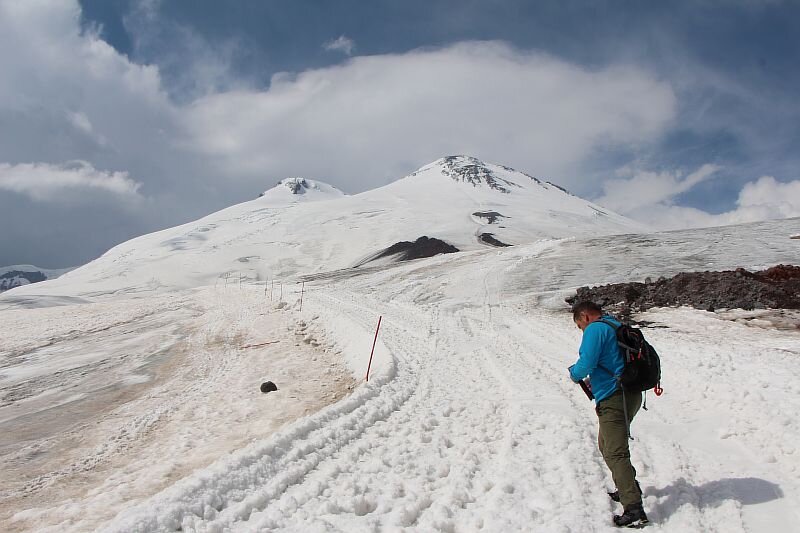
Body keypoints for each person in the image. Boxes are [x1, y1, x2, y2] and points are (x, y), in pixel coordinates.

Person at [568, 301, 648, 528]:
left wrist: (574, 374)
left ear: (584, 317)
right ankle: (628, 486)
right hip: (630, 394)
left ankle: (634, 509)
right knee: (606, 445)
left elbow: (587, 362)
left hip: (615, 396)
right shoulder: (614, 323)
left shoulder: (595, 329)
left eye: (579, 326)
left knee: (615, 451)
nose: (581, 330)